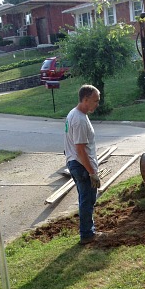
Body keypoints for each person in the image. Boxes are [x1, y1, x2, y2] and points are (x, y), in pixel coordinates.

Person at [64, 84, 103, 244]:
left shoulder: (75, 114)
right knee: (87, 200)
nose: (97, 104)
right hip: (81, 166)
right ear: (85, 99)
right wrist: (92, 172)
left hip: (76, 164)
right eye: (95, 100)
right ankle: (87, 234)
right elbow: (80, 150)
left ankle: (88, 231)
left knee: (85, 199)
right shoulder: (79, 120)